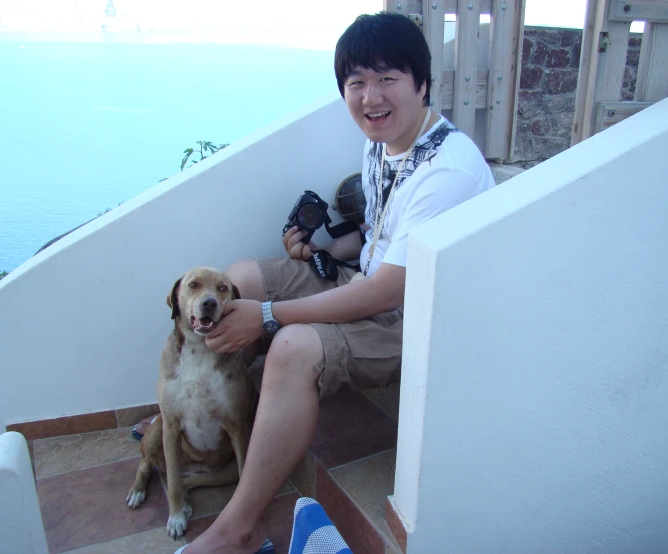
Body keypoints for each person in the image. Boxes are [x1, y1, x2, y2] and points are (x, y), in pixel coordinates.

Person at [174, 11, 495, 554]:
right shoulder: (386, 143)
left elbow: (389, 291)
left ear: (421, 82)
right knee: (242, 277)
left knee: (292, 344)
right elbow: (380, 236)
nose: (371, 97)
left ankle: (238, 529)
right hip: (375, 279)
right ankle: (218, 413)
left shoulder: (448, 170)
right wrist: (322, 253)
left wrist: (271, 316)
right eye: (356, 83)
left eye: (387, 79)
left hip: (419, 316)